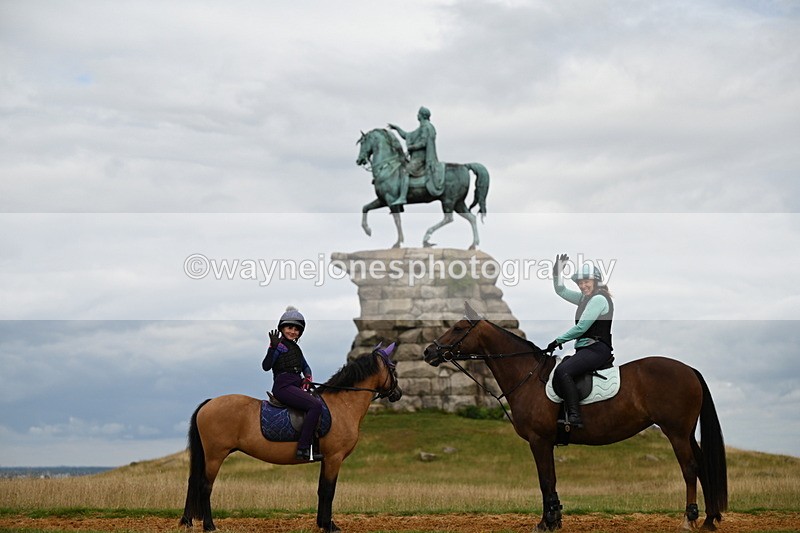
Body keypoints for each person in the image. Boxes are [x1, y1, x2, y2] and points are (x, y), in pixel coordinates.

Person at [546, 254, 614, 429]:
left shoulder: (598, 299)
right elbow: (561, 291)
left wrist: (558, 340)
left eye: (586, 282)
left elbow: (581, 327)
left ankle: (575, 416)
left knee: (563, 371)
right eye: (580, 283)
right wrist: (557, 273)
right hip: (586, 350)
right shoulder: (584, 299)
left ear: (596, 281)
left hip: (597, 349)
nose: (583, 286)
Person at [262, 306, 324, 461]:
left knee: (318, 402)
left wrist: (307, 378)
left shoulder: (296, 349)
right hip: (283, 387)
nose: (293, 332)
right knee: (315, 406)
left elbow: (306, 367)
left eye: (296, 330)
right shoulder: (278, 346)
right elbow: (266, 366)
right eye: (289, 328)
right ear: (282, 328)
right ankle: (303, 449)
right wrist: (272, 348)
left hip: (296, 386)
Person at [387, 106, 439, 205]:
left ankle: (403, 197)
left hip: (420, 159)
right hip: (416, 158)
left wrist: (412, 147)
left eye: (418, 114)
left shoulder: (426, 127)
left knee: (405, 171)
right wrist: (397, 128)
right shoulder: (422, 127)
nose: (417, 115)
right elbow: (407, 135)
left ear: (422, 115)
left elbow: (423, 143)